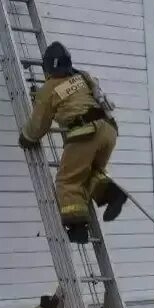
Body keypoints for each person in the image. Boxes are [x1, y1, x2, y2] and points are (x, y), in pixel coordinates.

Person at [18, 42, 127, 244]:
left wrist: (26, 138)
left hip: (85, 132)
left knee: (67, 181)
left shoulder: (50, 88)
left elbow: (39, 125)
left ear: (48, 67)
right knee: (87, 173)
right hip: (108, 129)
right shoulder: (82, 77)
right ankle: (112, 195)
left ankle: (77, 228)